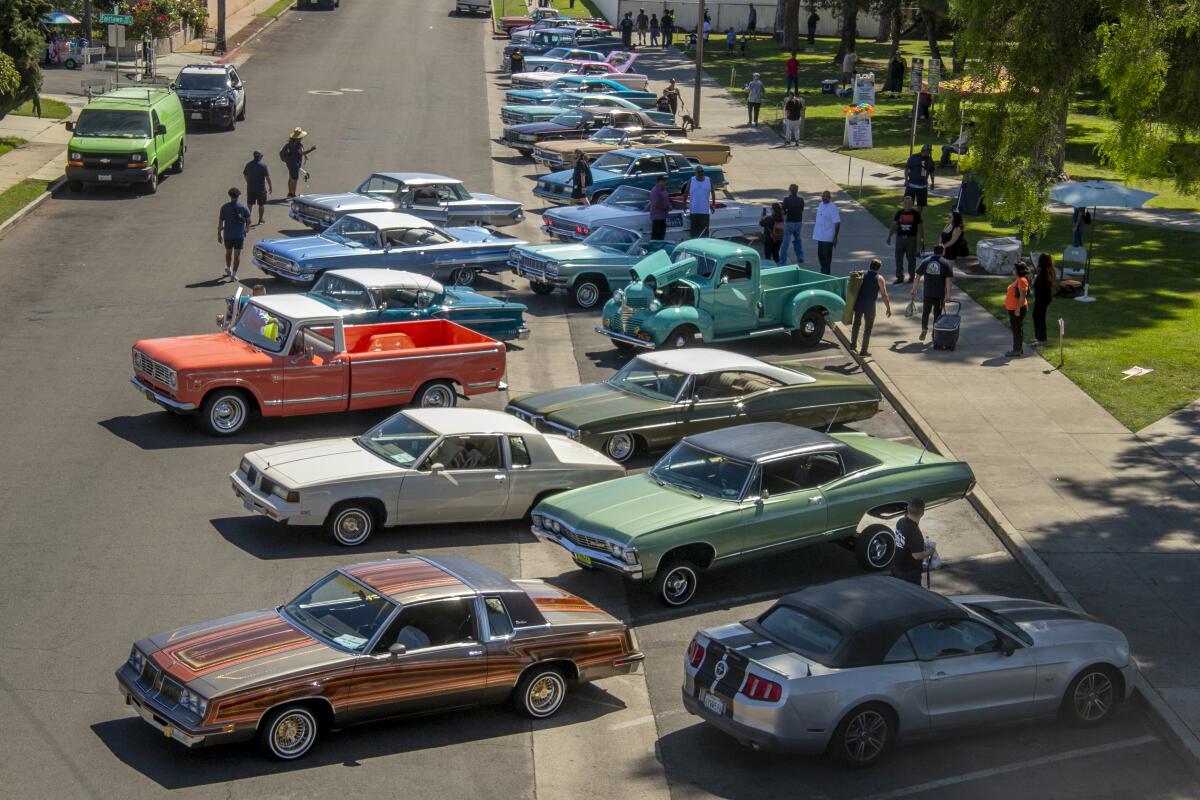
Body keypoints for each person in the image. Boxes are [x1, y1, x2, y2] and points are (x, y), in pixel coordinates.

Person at [850, 259, 892, 356]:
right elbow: (884, 295)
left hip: (859, 304)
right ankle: (863, 350)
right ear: (879, 268)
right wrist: (888, 308)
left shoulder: (861, 273)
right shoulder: (879, 278)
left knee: (856, 324)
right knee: (868, 328)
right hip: (870, 306)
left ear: (870, 266)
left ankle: (853, 345)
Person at [891, 498, 936, 586]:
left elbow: (905, 542)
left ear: (908, 509)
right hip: (909, 573)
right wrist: (930, 551)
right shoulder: (914, 532)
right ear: (922, 513)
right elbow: (917, 556)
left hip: (896, 567)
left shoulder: (901, 522)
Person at [912, 244, 953, 340]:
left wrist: (914, 289)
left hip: (927, 293)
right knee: (937, 314)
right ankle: (935, 333)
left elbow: (917, 276)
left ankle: (924, 329)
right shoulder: (945, 263)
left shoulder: (926, 261)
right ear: (943, 252)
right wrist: (948, 295)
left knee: (926, 312)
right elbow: (948, 280)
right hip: (939, 294)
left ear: (933, 251)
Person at [886, 195, 923, 283]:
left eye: (909, 203)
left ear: (912, 204)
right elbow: (893, 225)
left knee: (911, 259)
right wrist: (889, 237)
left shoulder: (915, 214)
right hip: (900, 238)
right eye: (905, 203)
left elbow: (920, 229)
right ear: (903, 203)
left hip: (911, 239)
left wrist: (920, 242)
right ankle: (900, 277)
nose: (907, 205)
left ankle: (911, 277)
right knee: (898, 258)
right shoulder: (899, 213)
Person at [217, 187, 252, 281]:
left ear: (230, 196)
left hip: (228, 235)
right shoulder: (243, 207)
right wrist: (246, 229)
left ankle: (228, 269)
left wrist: (219, 234)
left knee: (228, 252)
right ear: (238, 196)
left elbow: (220, 222)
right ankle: (234, 274)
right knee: (237, 255)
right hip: (239, 235)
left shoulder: (224, 207)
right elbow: (249, 221)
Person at [681, 165, 715, 238]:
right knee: (695, 232)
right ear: (695, 173)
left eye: (702, 171)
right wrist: (684, 204)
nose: (701, 173)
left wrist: (713, 204)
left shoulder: (708, 180)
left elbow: (713, 192)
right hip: (694, 211)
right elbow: (686, 192)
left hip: (705, 211)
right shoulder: (691, 180)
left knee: (705, 232)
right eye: (699, 172)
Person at [281, 127, 315, 199]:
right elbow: (301, 152)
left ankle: (290, 193)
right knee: (294, 179)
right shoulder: (298, 144)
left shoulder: (290, 142)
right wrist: (311, 149)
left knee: (291, 178)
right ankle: (293, 195)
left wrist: (304, 155)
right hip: (295, 163)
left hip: (289, 162)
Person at [1004, 263, 1030, 358]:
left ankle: (1017, 350)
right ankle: (1019, 349)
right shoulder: (1019, 279)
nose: (1013, 270)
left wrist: (1018, 309)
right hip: (1014, 308)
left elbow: (1023, 296)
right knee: (1017, 329)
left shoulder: (1022, 281)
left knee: (1017, 330)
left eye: (1014, 269)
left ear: (1019, 270)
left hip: (1017, 309)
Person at [811, 190, 840, 275]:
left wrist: (835, 237)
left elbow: (837, 223)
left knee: (826, 260)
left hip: (828, 238)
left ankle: (826, 276)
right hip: (820, 237)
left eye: (827, 196)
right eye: (823, 196)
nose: (825, 198)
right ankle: (823, 274)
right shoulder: (820, 204)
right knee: (821, 258)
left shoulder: (833, 207)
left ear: (830, 198)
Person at [1032, 252, 1057, 344]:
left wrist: (1034, 281)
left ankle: (1041, 338)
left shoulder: (1045, 272)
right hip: (1041, 297)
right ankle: (1038, 336)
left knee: (1040, 317)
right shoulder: (1044, 270)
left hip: (1042, 298)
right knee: (1035, 316)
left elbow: (1043, 285)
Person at [242, 150, 272, 226]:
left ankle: (247, 220)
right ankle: (261, 219)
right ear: (259, 157)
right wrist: (270, 187)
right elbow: (267, 178)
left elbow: (245, 174)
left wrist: (248, 182)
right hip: (261, 189)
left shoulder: (248, 164)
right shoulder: (263, 166)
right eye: (262, 156)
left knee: (249, 205)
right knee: (261, 205)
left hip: (251, 189)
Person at [780, 184, 805, 263]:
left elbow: (783, 211)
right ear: (797, 191)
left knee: (786, 242)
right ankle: (800, 256)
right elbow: (801, 210)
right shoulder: (801, 200)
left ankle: (783, 260)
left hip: (789, 222)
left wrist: (786, 210)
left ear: (790, 190)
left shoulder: (786, 199)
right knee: (797, 239)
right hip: (798, 222)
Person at [649, 175, 672, 240]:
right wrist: (666, 208)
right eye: (664, 180)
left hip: (663, 216)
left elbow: (666, 199)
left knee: (662, 235)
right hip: (657, 217)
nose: (665, 182)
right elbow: (656, 203)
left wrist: (669, 205)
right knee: (656, 235)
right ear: (659, 181)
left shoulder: (664, 189)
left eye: (665, 180)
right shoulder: (655, 190)